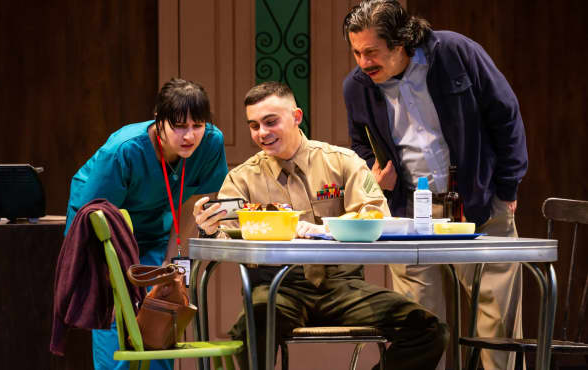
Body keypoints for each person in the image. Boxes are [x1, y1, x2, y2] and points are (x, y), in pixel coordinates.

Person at [193, 81, 449, 370]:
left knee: (428, 330)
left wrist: (329, 229)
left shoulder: (342, 162)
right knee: (250, 329)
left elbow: (375, 214)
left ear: (297, 116)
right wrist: (211, 228)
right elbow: (225, 234)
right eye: (254, 126)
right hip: (278, 288)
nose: (262, 133)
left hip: (342, 286)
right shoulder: (243, 178)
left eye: (270, 122)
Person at [342, 1, 528, 369]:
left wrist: (508, 187)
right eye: (356, 52)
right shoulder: (357, 87)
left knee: (498, 326)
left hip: (479, 202)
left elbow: (505, 116)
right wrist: (380, 173)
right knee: (418, 325)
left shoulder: (456, 52)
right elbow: (360, 144)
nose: (363, 63)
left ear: (401, 43)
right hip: (411, 216)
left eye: (371, 52)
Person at [64, 78, 228, 370]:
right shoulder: (125, 149)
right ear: (159, 120)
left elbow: (193, 202)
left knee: (161, 309)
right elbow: (94, 219)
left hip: (155, 224)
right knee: (117, 310)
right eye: (179, 126)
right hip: (102, 226)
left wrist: (176, 261)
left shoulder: (212, 142)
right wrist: (105, 278)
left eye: (197, 125)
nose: (189, 136)